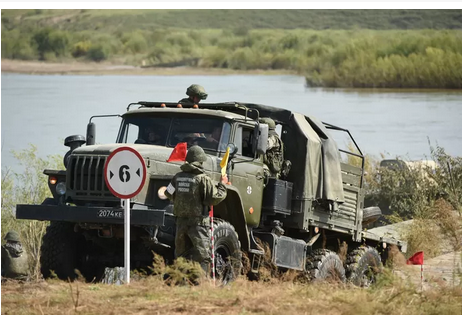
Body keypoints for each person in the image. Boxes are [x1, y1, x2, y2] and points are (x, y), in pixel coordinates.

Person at [164, 145, 228, 273]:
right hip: (198, 225)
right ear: (200, 161)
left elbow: (168, 193)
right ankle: (200, 286)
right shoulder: (203, 179)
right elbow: (214, 198)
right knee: (203, 257)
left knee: (181, 257)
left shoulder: (177, 177)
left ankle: (180, 285)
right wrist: (223, 185)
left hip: (180, 223)